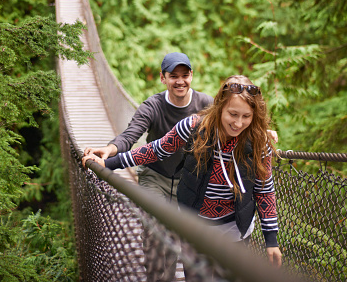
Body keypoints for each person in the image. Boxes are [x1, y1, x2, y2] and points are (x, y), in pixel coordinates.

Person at [83, 75, 282, 278]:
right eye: (233, 114)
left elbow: (264, 190)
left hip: (235, 231)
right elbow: (156, 150)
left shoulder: (258, 143)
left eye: (246, 116)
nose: (239, 123)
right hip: (193, 226)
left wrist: (271, 240)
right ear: (220, 106)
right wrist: (108, 163)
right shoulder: (195, 127)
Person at [83, 52, 214, 202]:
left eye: (185, 76)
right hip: (154, 177)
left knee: (180, 225)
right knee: (157, 220)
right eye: (173, 76)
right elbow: (129, 136)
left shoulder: (206, 104)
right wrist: (109, 149)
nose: (180, 81)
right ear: (162, 78)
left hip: (189, 181)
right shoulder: (152, 106)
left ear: (191, 75)